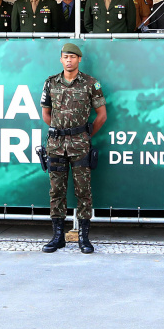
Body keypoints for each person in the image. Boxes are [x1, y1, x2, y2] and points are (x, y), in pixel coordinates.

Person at [40, 43, 107, 254]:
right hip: (56, 145)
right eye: (65, 57)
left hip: (80, 144)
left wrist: (84, 135)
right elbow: (46, 114)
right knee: (56, 191)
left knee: (83, 191)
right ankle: (58, 237)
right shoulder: (51, 83)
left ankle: (84, 238)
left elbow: (102, 115)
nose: (69, 60)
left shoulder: (91, 83)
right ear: (61, 59)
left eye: (72, 57)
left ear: (79, 59)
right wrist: (61, 131)